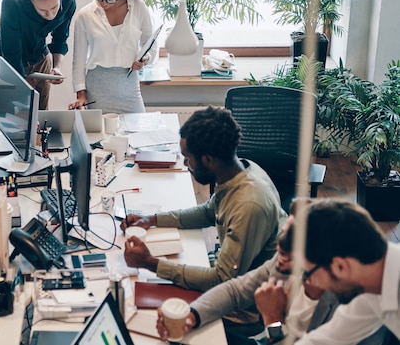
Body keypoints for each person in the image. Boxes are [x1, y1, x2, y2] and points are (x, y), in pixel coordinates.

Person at [122, 106, 284, 331]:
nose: (186, 165)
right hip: (226, 275)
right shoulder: (240, 170)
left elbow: (222, 280)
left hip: (242, 310)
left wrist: (150, 263)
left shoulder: (249, 204)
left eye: (188, 159)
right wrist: (152, 219)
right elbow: (209, 211)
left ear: (208, 159)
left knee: (141, 319)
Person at [154, 199, 389, 345]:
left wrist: (273, 321)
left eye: (306, 269)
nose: (282, 257)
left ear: (338, 266)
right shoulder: (291, 259)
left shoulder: (358, 304)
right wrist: (192, 314)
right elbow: (237, 290)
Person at [289, 199, 400, 344]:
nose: (308, 280)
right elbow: (322, 340)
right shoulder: (369, 293)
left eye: (309, 273)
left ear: (340, 266)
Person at [69, 0, 156, 114]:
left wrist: (145, 58)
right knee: (98, 137)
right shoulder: (85, 15)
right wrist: (81, 94)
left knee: (138, 135)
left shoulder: (138, 8)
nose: (103, 2)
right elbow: (79, 61)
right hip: (97, 90)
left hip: (129, 89)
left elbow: (151, 44)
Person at [0, 0, 76, 110]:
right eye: (43, 11)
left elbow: (60, 39)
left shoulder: (69, 2)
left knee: (42, 114)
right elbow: (12, 53)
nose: (50, 14)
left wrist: (56, 67)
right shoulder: (13, 2)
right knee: (17, 116)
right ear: (31, 1)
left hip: (40, 58)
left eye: (54, 8)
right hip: (10, 61)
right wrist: (21, 94)